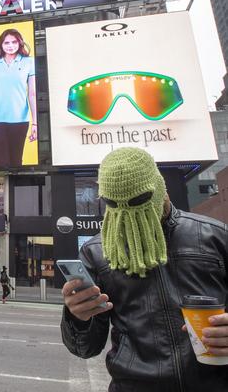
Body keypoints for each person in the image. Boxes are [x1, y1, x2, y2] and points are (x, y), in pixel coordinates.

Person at [61, 147, 228, 391]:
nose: (127, 212)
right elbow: (85, 348)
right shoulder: (97, 251)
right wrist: (77, 318)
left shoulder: (214, 236)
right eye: (112, 203)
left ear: (161, 187)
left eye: (138, 200)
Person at [0, 29, 37, 167]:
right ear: (1, 44)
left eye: (14, 42)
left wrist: (35, 123)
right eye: (6, 42)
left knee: (16, 163)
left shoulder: (29, 62)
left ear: (19, 43)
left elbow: (32, 94)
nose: (10, 45)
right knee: (0, 164)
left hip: (19, 120)